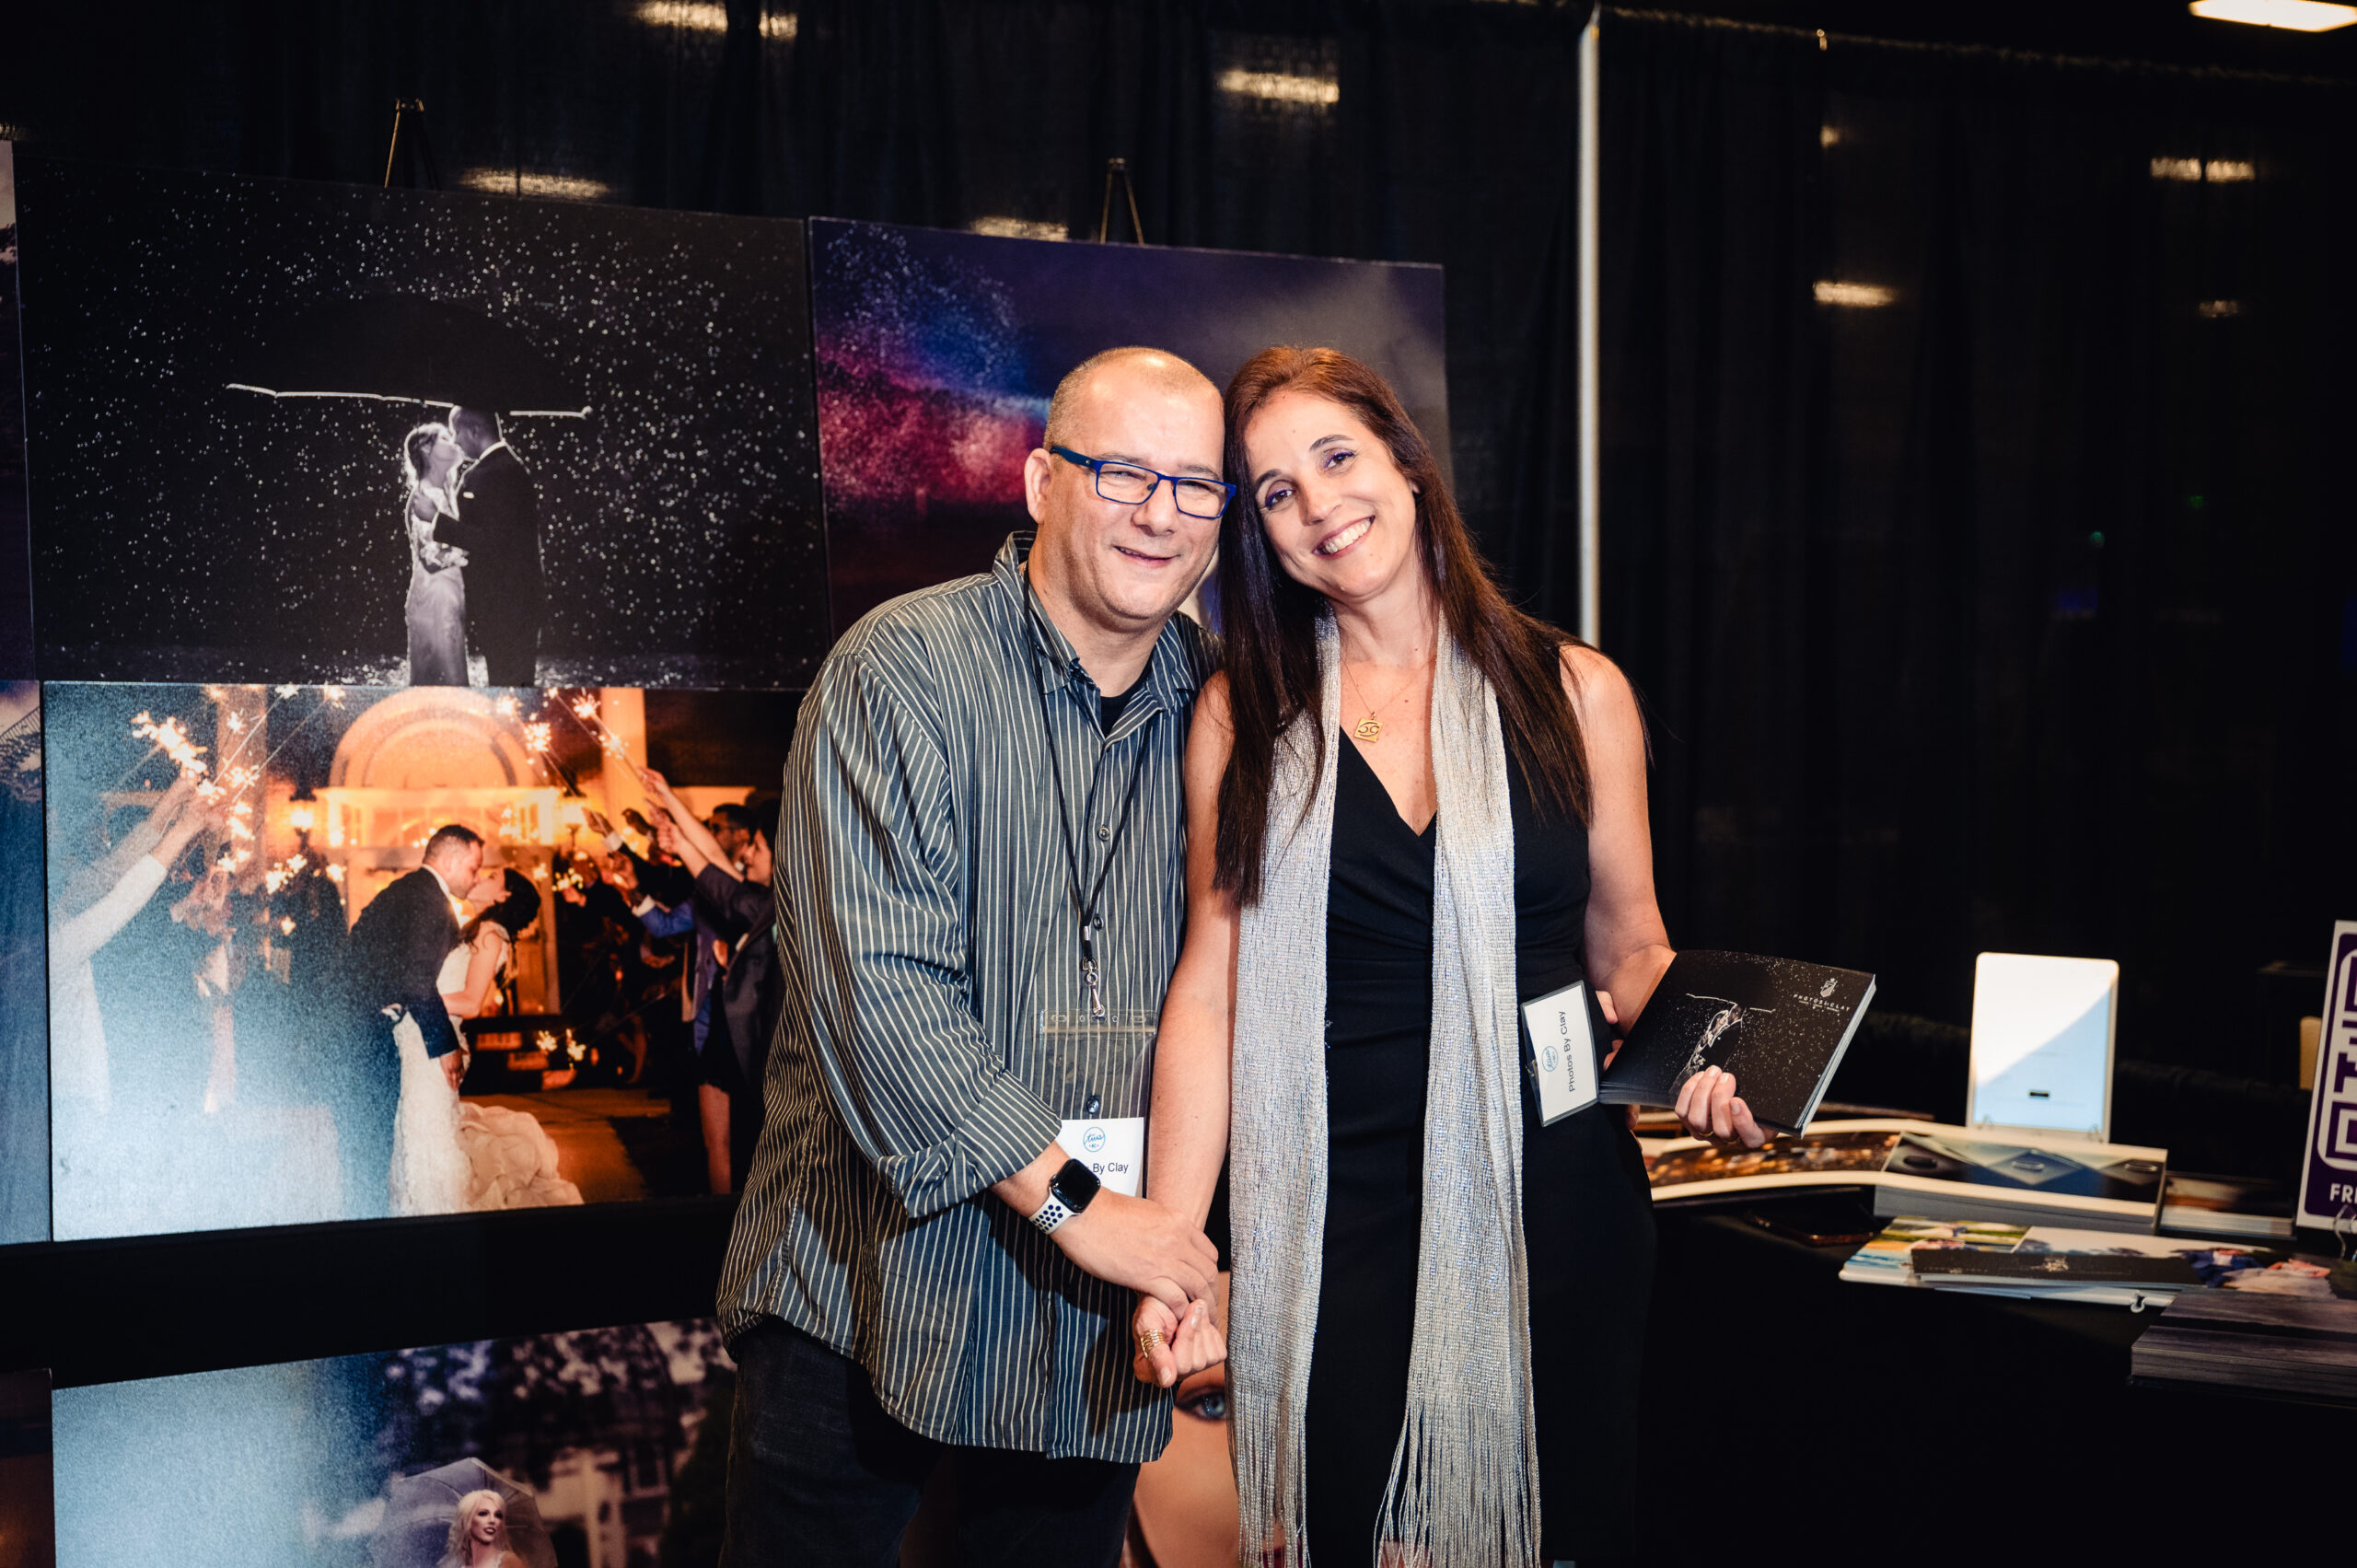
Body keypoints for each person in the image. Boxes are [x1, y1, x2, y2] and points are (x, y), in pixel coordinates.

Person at [1133, 346, 1766, 1568]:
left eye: (1337, 457)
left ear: (1408, 464)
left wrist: (1722, 1052)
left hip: (1555, 1197)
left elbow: (1631, 946)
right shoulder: (1244, 714)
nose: (1320, 505)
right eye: (1277, 491)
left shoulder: (1575, 690)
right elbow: (1208, 992)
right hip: (1335, 1212)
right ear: (1261, 534)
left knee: (1555, 1526)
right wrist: (1171, 1243)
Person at [715, 347, 1230, 1567]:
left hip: (1088, 1315)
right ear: (1042, 479)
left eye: (1196, 485)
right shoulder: (899, 667)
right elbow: (882, 1000)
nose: (1160, 513)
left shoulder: (1221, 705)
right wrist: (1081, 1207)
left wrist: (1171, 1250)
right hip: (865, 1283)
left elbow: (1226, 991)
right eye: (1123, 473)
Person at [336, 824, 498, 1219]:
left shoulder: (408, 891)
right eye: (473, 868)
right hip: (365, 1037)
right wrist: (446, 1046)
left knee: (366, 1151)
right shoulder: (428, 901)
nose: (475, 877)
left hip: (358, 1031)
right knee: (369, 1151)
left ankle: (368, 1224)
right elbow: (416, 979)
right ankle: (367, 1232)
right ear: (451, 860)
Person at [433, 407, 543, 688]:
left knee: (510, 685)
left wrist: (437, 520)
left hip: (509, 603)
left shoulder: (500, 472)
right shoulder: (499, 469)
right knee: (506, 681)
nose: (454, 441)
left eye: (456, 432)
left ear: (475, 431)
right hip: (504, 601)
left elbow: (495, 541)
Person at [401, 421, 470, 687]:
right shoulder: (425, 497)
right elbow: (430, 559)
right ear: (426, 448)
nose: (454, 441)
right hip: (436, 598)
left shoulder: (444, 493)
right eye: (444, 437)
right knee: (447, 681)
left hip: (448, 592)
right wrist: (474, 552)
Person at [443, 1489, 521, 1568]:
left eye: (498, 1515)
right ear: (467, 1520)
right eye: (483, 1513)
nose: (492, 1520)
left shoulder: (509, 1561)